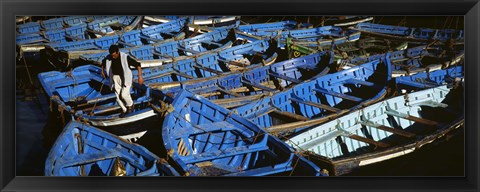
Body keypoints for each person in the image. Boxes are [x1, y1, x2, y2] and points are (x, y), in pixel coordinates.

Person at [101, 45, 144, 118]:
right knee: (118, 97)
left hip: (125, 77)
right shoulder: (109, 57)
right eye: (112, 56)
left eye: (114, 55)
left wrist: (139, 76)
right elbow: (103, 63)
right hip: (115, 78)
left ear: (117, 52)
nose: (113, 57)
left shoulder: (125, 57)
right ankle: (124, 110)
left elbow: (138, 65)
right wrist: (102, 71)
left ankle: (130, 105)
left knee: (124, 94)